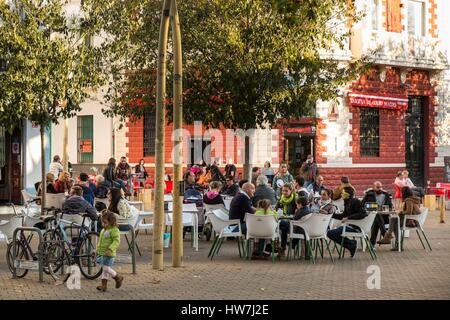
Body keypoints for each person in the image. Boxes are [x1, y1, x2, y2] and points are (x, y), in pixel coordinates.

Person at [327, 187, 367, 258]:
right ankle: (352, 244)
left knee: (330, 233)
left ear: (348, 194)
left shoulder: (355, 201)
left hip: (356, 227)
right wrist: (329, 215)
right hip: (350, 226)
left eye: (343, 193)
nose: (341, 194)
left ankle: (352, 245)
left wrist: (348, 218)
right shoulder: (347, 202)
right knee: (331, 233)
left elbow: (363, 213)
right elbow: (343, 215)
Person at [96, 210, 123, 292]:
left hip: (109, 254)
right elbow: (100, 242)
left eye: (105, 223)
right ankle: (104, 286)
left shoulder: (114, 230)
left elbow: (116, 241)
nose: (103, 225)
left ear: (111, 222)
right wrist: (97, 250)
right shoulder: (103, 230)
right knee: (104, 270)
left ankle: (118, 277)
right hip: (103, 253)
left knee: (106, 268)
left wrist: (110, 249)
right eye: (102, 223)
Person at [361, 181, 393, 246]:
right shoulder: (369, 194)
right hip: (370, 218)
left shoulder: (386, 194)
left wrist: (377, 208)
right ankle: (385, 234)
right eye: (378, 187)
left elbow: (390, 206)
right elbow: (362, 205)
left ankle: (372, 244)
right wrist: (376, 207)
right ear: (374, 187)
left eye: (381, 187)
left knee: (376, 215)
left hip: (384, 218)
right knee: (376, 214)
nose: (380, 189)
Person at [275, 183, 298, 257]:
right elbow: (276, 209)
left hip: (293, 222)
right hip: (282, 219)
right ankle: (277, 246)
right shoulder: (281, 199)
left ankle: (282, 248)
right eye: (283, 191)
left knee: (283, 227)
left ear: (291, 191)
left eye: (286, 191)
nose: (284, 192)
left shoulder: (295, 199)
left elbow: (298, 212)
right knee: (279, 226)